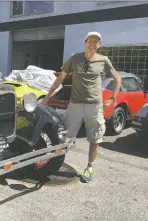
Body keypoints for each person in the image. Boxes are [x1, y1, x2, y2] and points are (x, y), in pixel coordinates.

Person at [41, 31, 121, 183]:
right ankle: (54, 163)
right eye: (90, 40)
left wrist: (113, 98)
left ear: (99, 45)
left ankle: (89, 167)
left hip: (95, 106)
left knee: (95, 138)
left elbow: (117, 79)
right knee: (66, 136)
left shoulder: (103, 60)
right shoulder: (74, 58)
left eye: (96, 41)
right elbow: (60, 79)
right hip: (75, 105)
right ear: (85, 42)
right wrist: (47, 98)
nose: (93, 43)